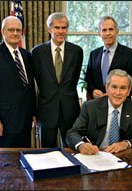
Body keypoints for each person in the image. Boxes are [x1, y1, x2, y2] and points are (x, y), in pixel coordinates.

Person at [0, 16, 37, 148]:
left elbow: (29, 87)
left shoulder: (27, 55)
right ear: (3, 31)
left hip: (25, 120)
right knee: (3, 163)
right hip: (4, 122)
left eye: (18, 30)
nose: (15, 33)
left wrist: (33, 112)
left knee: (23, 159)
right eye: (11, 30)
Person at [32, 12, 83, 148]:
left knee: (72, 149)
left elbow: (74, 79)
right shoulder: (37, 52)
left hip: (70, 110)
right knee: (47, 151)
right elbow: (36, 81)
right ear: (49, 29)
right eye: (57, 27)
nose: (61, 31)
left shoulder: (77, 51)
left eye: (64, 27)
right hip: (46, 109)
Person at [67, 69, 132, 155]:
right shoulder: (90, 107)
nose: (118, 92)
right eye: (114, 87)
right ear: (107, 88)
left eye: (123, 88)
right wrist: (81, 145)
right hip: (95, 155)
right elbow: (73, 133)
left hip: (123, 156)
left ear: (128, 91)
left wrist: (126, 144)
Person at [85, 16, 132, 100]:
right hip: (97, 105)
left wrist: (115, 94)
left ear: (117, 31)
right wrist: (93, 90)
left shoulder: (130, 55)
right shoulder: (94, 54)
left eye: (111, 29)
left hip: (121, 104)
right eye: (104, 30)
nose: (107, 33)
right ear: (99, 33)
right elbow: (88, 79)